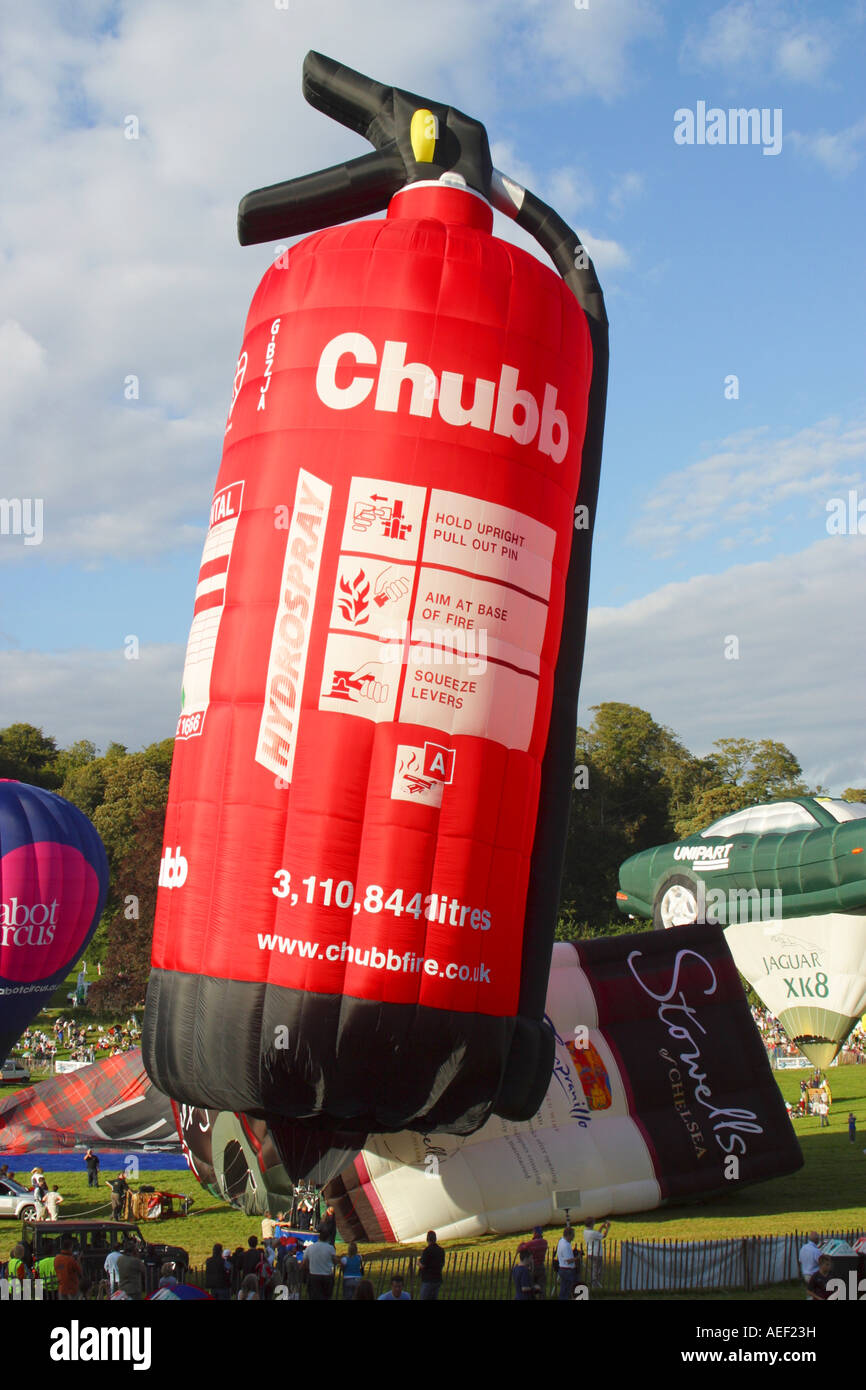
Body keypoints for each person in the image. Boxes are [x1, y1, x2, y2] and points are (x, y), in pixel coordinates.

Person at [302, 1234, 340, 1300]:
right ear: (327, 1238)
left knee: (313, 1296)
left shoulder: (310, 1247)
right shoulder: (330, 1248)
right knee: (326, 1296)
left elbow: (305, 1262)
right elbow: (335, 1261)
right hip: (327, 1276)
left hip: (314, 1275)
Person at [517, 1226, 549, 1298]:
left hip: (532, 1267)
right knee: (542, 1287)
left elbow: (520, 1249)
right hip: (541, 1266)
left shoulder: (530, 1244)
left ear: (534, 1233)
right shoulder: (545, 1242)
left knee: (531, 1286)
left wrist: (522, 1244)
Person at [418, 1230, 445, 1301]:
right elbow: (442, 1263)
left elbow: (423, 1265)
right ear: (435, 1239)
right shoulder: (441, 1250)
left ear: (427, 1239)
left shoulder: (427, 1250)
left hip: (428, 1279)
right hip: (437, 1278)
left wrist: (418, 1263)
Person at [55, 1236, 83, 1302]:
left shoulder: (57, 1258)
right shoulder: (71, 1260)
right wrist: (78, 1260)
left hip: (61, 1288)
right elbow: (80, 1272)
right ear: (70, 1247)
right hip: (72, 1288)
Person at [583, 1218, 610, 1287]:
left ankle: (594, 1284)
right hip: (596, 1253)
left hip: (590, 1253)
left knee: (593, 1269)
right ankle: (595, 1285)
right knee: (598, 1270)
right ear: (592, 1224)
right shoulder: (592, 1233)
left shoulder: (585, 1231)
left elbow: (597, 1235)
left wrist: (601, 1227)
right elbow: (603, 1236)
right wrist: (608, 1228)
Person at [556, 1225, 577, 1300]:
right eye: (572, 1235)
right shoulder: (566, 1245)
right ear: (568, 1235)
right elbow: (568, 1260)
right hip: (567, 1270)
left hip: (562, 1269)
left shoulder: (561, 1241)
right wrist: (577, 1258)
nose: (573, 1237)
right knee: (568, 1290)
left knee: (563, 1289)